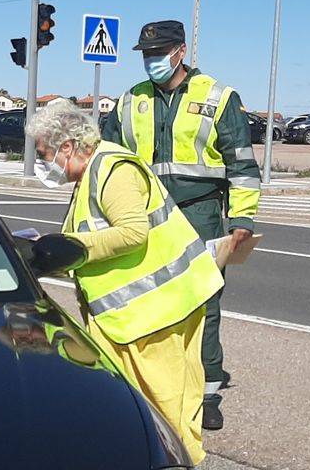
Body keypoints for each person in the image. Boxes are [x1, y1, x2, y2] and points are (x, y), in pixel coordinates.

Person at [26, 102, 224, 465]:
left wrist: (71, 248)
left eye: (44, 153)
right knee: (156, 412)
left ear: (67, 147)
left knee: (165, 415)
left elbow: (133, 233)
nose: (42, 162)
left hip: (156, 316)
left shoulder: (113, 170)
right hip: (146, 315)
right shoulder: (92, 174)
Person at [100, 20, 261, 430]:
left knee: (203, 302)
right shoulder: (130, 100)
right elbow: (108, 161)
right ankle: (149, 385)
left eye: (160, 53)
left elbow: (242, 166)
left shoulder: (218, 98)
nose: (152, 61)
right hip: (145, 214)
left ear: (181, 51)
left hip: (200, 212)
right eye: (146, 55)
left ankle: (206, 393)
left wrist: (241, 219)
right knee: (143, 299)